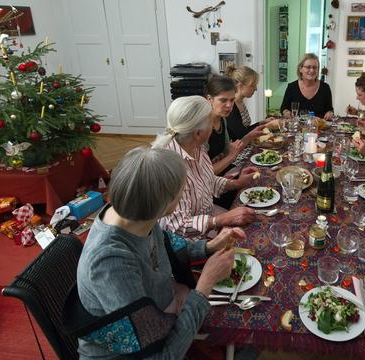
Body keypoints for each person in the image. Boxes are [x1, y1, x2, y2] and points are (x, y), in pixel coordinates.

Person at [75, 147, 242, 359]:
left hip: (162, 309)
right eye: (181, 191)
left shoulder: (135, 213)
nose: (183, 194)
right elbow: (162, 355)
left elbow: (166, 243)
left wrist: (209, 246)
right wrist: (205, 285)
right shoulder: (111, 263)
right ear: (164, 205)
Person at [152, 95, 256, 240]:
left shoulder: (197, 147)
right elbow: (178, 225)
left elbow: (208, 180)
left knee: (251, 221)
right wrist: (220, 220)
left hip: (208, 217)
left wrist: (236, 183)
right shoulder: (170, 167)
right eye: (210, 122)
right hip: (187, 243)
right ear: (198, 133)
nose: (214, 125)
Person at [206, 75, 265, 176]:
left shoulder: (222, 120)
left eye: (232, 100)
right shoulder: (202, 127)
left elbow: (227, 152)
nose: (229, 105)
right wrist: (231, 157)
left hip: (223, 173)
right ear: (209, 99)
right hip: (211, 183)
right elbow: (204, 173)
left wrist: (250, 136)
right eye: (223, 100)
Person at [225, 64, 280, 141]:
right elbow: (241, 135)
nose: (256, 89)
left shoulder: (241, 103)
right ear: (240, 86)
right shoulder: (231, 106)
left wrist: (262, 123)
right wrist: (267, 126)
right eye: (253, 85)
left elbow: (246, 129)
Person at [280, 53, 334, 120]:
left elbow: (330, 110)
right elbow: (283, 108)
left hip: (318, 128)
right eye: (308, 67)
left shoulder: (325, 88)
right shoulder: (292, 87)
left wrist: (329, 113)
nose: (312, 70)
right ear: (300, 69)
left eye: (315, 67)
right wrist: (286, 112)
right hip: (297, 127)